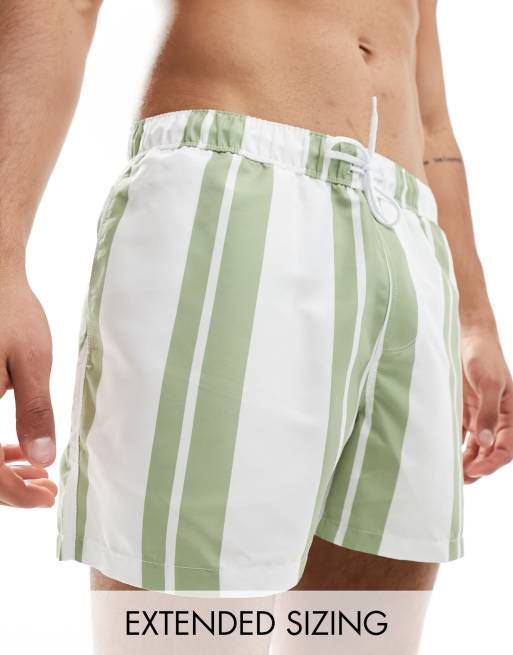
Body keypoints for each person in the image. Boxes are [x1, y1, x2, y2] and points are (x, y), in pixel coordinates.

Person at [1, 0, 512, 649]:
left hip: (410, 234)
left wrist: (473, 316)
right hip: (236, 191)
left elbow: (431, 117)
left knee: (365, 636)